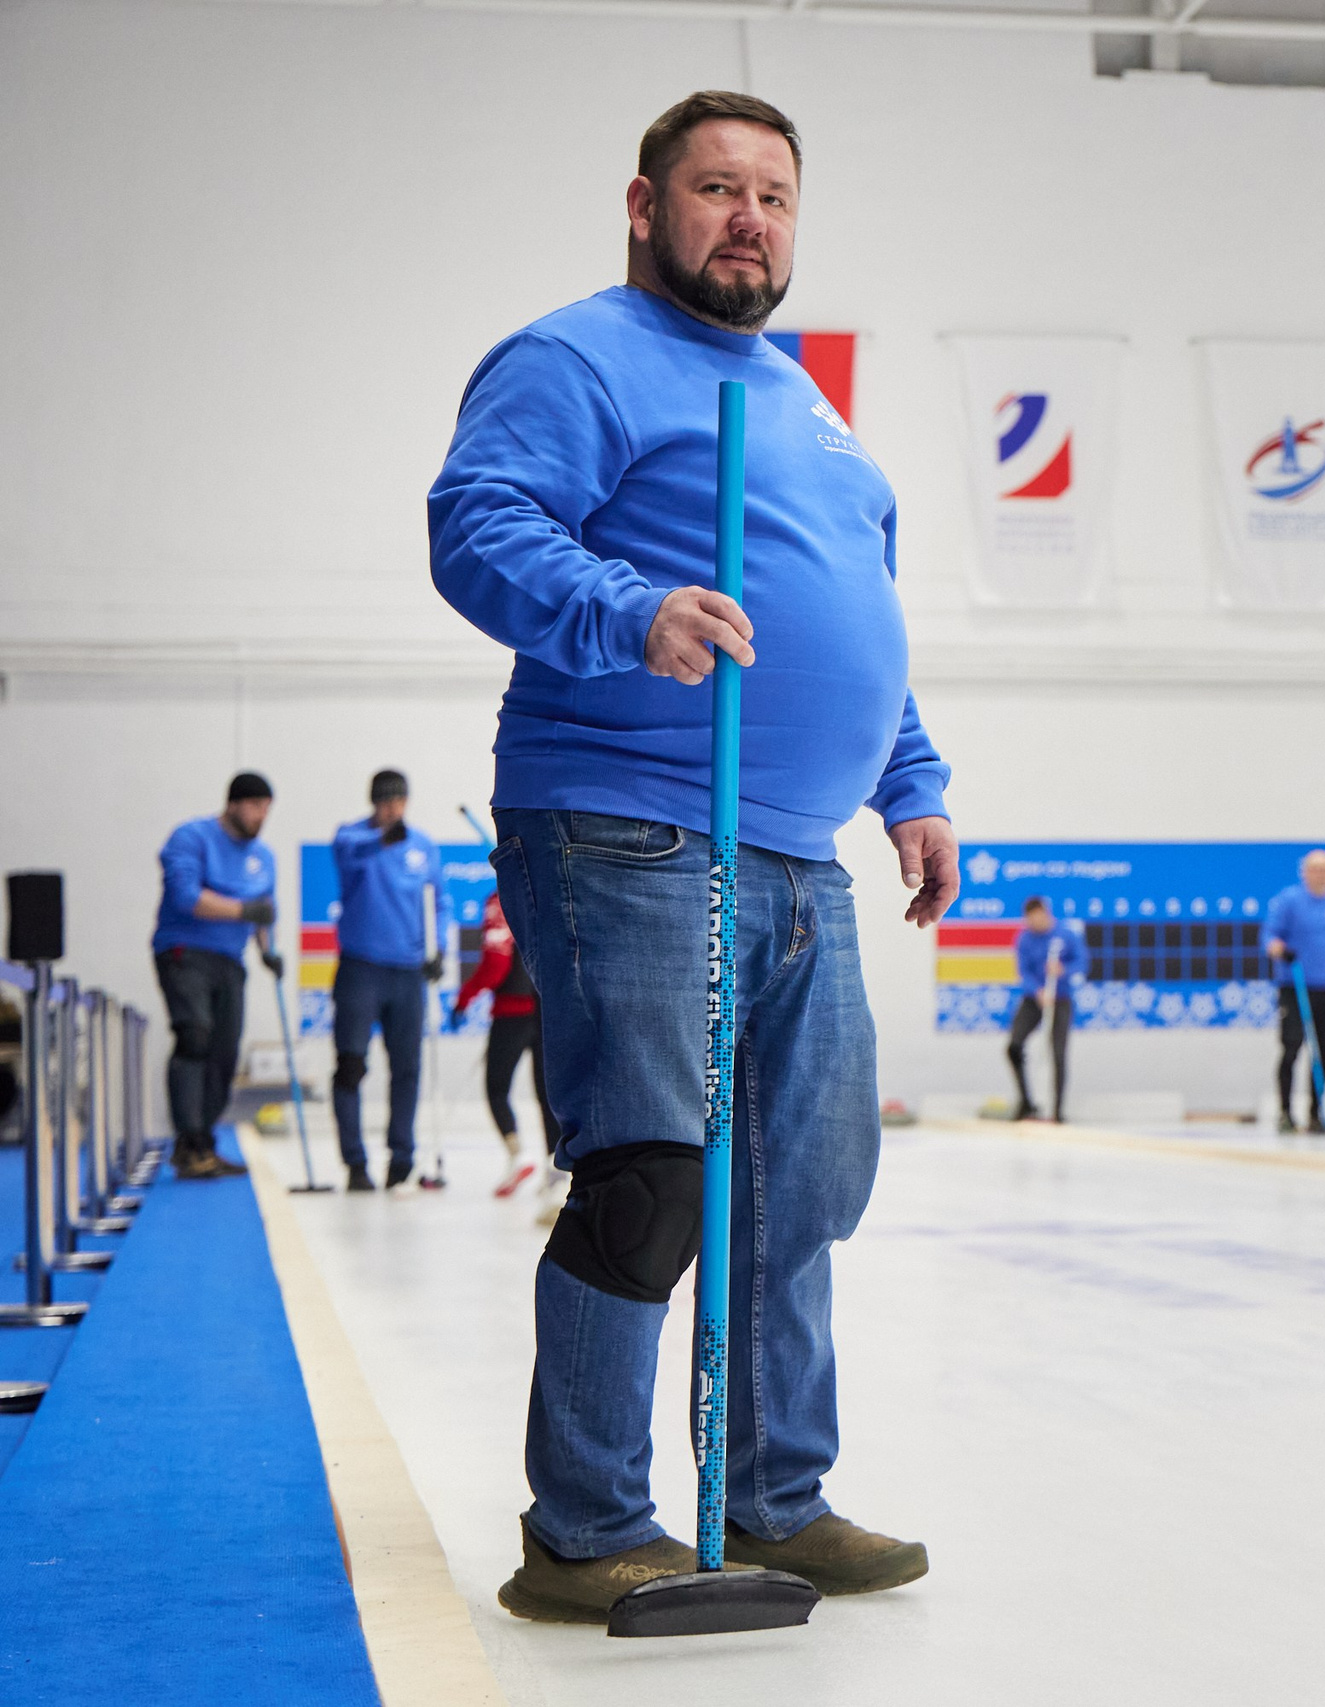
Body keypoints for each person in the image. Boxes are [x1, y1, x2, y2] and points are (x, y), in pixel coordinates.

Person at [427, 90, 956, 1625]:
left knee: (802, 1188)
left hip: (800, 851)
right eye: (717, 189)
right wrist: (626, 611)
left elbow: (862, 612)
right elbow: (479, 522)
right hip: (634, 819)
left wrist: (910, 779)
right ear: (646, 205)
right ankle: (586, 1526)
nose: (751, 219)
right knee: (655, 1176)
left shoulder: (807, 403)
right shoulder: (579, 354)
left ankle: (773, 1497)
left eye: (776, 197)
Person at [151, 773, 282, 1180]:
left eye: (266, 807)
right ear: (233, 804)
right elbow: (186, 897)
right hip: (184, 951)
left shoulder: (263, 856)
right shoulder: (192, 838)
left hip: (231, 959)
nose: (261, 815)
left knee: (224, 1053)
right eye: (254, 805)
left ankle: (204, 1142)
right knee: (195, 1036)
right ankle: (188, 1142)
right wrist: (244, 912)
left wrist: (267, 949)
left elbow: (265, 910)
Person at [329, 769, 447, 1191]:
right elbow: (347, 852)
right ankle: (355, 1161)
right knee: (351, 1064)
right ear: (374, 803)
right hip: (362, 968)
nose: (392, 808)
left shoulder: (424, 847)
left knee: (406, 1068)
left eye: (399, 800)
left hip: (407, 972)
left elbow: (439, 903)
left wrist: (440, 951)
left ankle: (402, 1156)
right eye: (384, 801)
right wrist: (380, 839)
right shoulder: (352, 838)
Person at [453, 891, 556, 1196]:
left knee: (497, 1088)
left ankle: (518, 1154)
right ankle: (556, 1170)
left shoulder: (501, 900)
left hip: (512, 1012)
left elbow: (496, 964)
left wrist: (464, 999)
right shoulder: (546, 893)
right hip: (548, 1012)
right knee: (547, 1092)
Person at [1264, 849, 1325, 1136]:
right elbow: (1269, 938)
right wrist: (1283, 951)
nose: (1319, 874)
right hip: (1294, 986)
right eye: (1314, 869)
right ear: (1304, 872)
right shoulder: (1289, 901)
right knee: (1291, 1047)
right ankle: (1284, 1114)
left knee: (1322, 1055)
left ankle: (1317, 1116)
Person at [1005, 897, 1085, 1122]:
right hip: (1034, 999)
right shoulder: (1024, 939)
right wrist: (1037, 991)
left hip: (1060, 999)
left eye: (1037, 918)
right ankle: (1026, 1102)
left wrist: (1063, 970)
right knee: (1013, 1046)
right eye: (1029, 920)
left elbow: (1081, 962)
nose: (1034, 923)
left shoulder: (1065, 935)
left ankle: (1057, 1111)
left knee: (1058, 1053)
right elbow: (1023, 970)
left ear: (1046, 913)